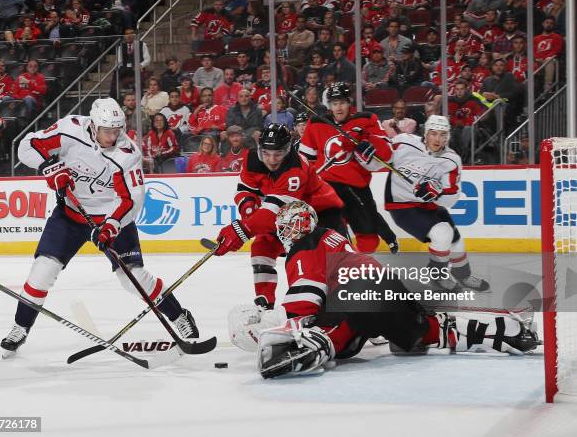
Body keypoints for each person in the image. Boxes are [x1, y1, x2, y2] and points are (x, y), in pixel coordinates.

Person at [226, 200, 539, 378]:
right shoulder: (330, 237)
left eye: (284, 226)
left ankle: (314, 347)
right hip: (382, 289)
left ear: (295, 227)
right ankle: (507, 326)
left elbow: (306, 295)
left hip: (364, 292)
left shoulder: (305, 245)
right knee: (416, 336)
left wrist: (291, 327)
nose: (281, 232)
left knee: (328, 330)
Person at [0, 98, 199, 356]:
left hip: (111, 218)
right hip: (69, 216)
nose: (114, 136)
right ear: (93, 126)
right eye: (108, 131)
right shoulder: (70, 129)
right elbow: (27, 146)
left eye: (118, 130)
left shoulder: (127, 154)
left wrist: (112, 225)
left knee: (133, 279)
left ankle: (179, 315)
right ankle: (20, 327)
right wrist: (48, 166)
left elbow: (132, 198)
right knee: (42, 272)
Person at [212, 123, 345, 309]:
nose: (272, 160)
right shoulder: (251, 159)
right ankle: (265, 304)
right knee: (262, 245)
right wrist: (249, 211)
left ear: (288, 149)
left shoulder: (295, 171)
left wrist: (241, 230)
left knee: (328, 269)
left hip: (322, 215)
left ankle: (315, 308)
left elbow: (270, 215)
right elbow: (244, 190)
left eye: (278, 154)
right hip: (290, 217)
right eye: (266, 153)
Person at [385, 115, 488, 291]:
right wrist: (369, 152)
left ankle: (463, 275)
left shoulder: (451, 159)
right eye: (433, 134)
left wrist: (436, 193)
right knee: (443, 234)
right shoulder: (405, 141)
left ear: (447, 136)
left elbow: (451, 198)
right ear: (425, 133)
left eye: (442, 134)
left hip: (429, 205)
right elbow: (382, 153)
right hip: (402, 204)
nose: (437, 139)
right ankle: (437, 275)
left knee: (456, 241)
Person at [299, 82, 398, 254]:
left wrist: (366, 141)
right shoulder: (316, 122)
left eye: (342, 102)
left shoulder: (367, 120)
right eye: (335, 103)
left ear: (349, 102)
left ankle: (360, 268)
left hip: (356, 187)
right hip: (326, 185)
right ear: (329, 105)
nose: (339, 107)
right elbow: (305, 159)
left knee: (368, 240)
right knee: (329, 234)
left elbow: (388, 154)